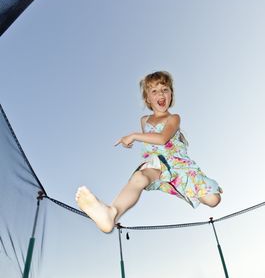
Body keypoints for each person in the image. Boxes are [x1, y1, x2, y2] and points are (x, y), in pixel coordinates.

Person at [75, 71, 222, 233]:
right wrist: (133, 141)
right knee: (139, 178)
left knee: (213, 199)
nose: (161, 93)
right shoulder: (144, 120)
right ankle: (111, 213)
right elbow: (151, 144)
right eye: (154, 91)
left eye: (165, 89)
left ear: (171, 94)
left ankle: (199, 189)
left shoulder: (174, 118)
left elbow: (162, 139)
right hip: (157, 165)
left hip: (179, 167)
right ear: (148, 99)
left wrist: (133, 136)